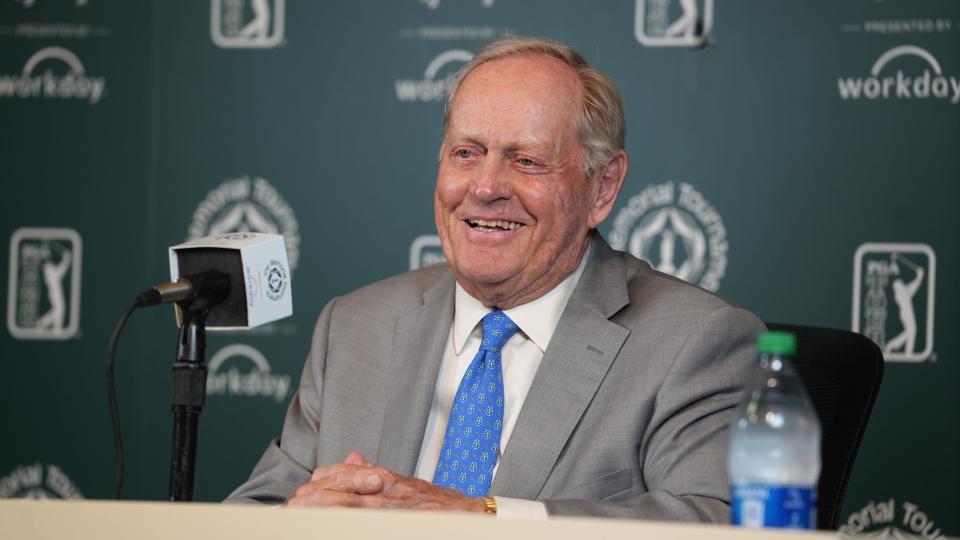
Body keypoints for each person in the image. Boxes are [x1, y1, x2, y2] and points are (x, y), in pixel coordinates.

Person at [227, 36, 764, 521]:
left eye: (526, 161)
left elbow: (712, 522)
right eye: (467, 153)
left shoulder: (693, 341)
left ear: (602, 187)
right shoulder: (355, 327)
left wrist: (483, 519)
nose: (485, 188)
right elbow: (254, 511)